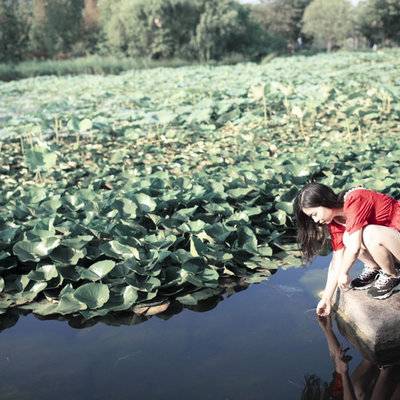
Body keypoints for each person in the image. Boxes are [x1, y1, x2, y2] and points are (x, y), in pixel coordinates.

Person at [293, 182, 400, 317]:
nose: (315, 220)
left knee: (368, 233)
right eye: (311, 217)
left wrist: (344, 273)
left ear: (324, 201)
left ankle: (392, 275)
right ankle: (375, 268)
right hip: (394, 248)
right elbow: (337, 259)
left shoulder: (355, 198)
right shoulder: (335, 222)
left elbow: (355, 248)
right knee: (347, 237)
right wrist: (326, 298)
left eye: (315, 214)